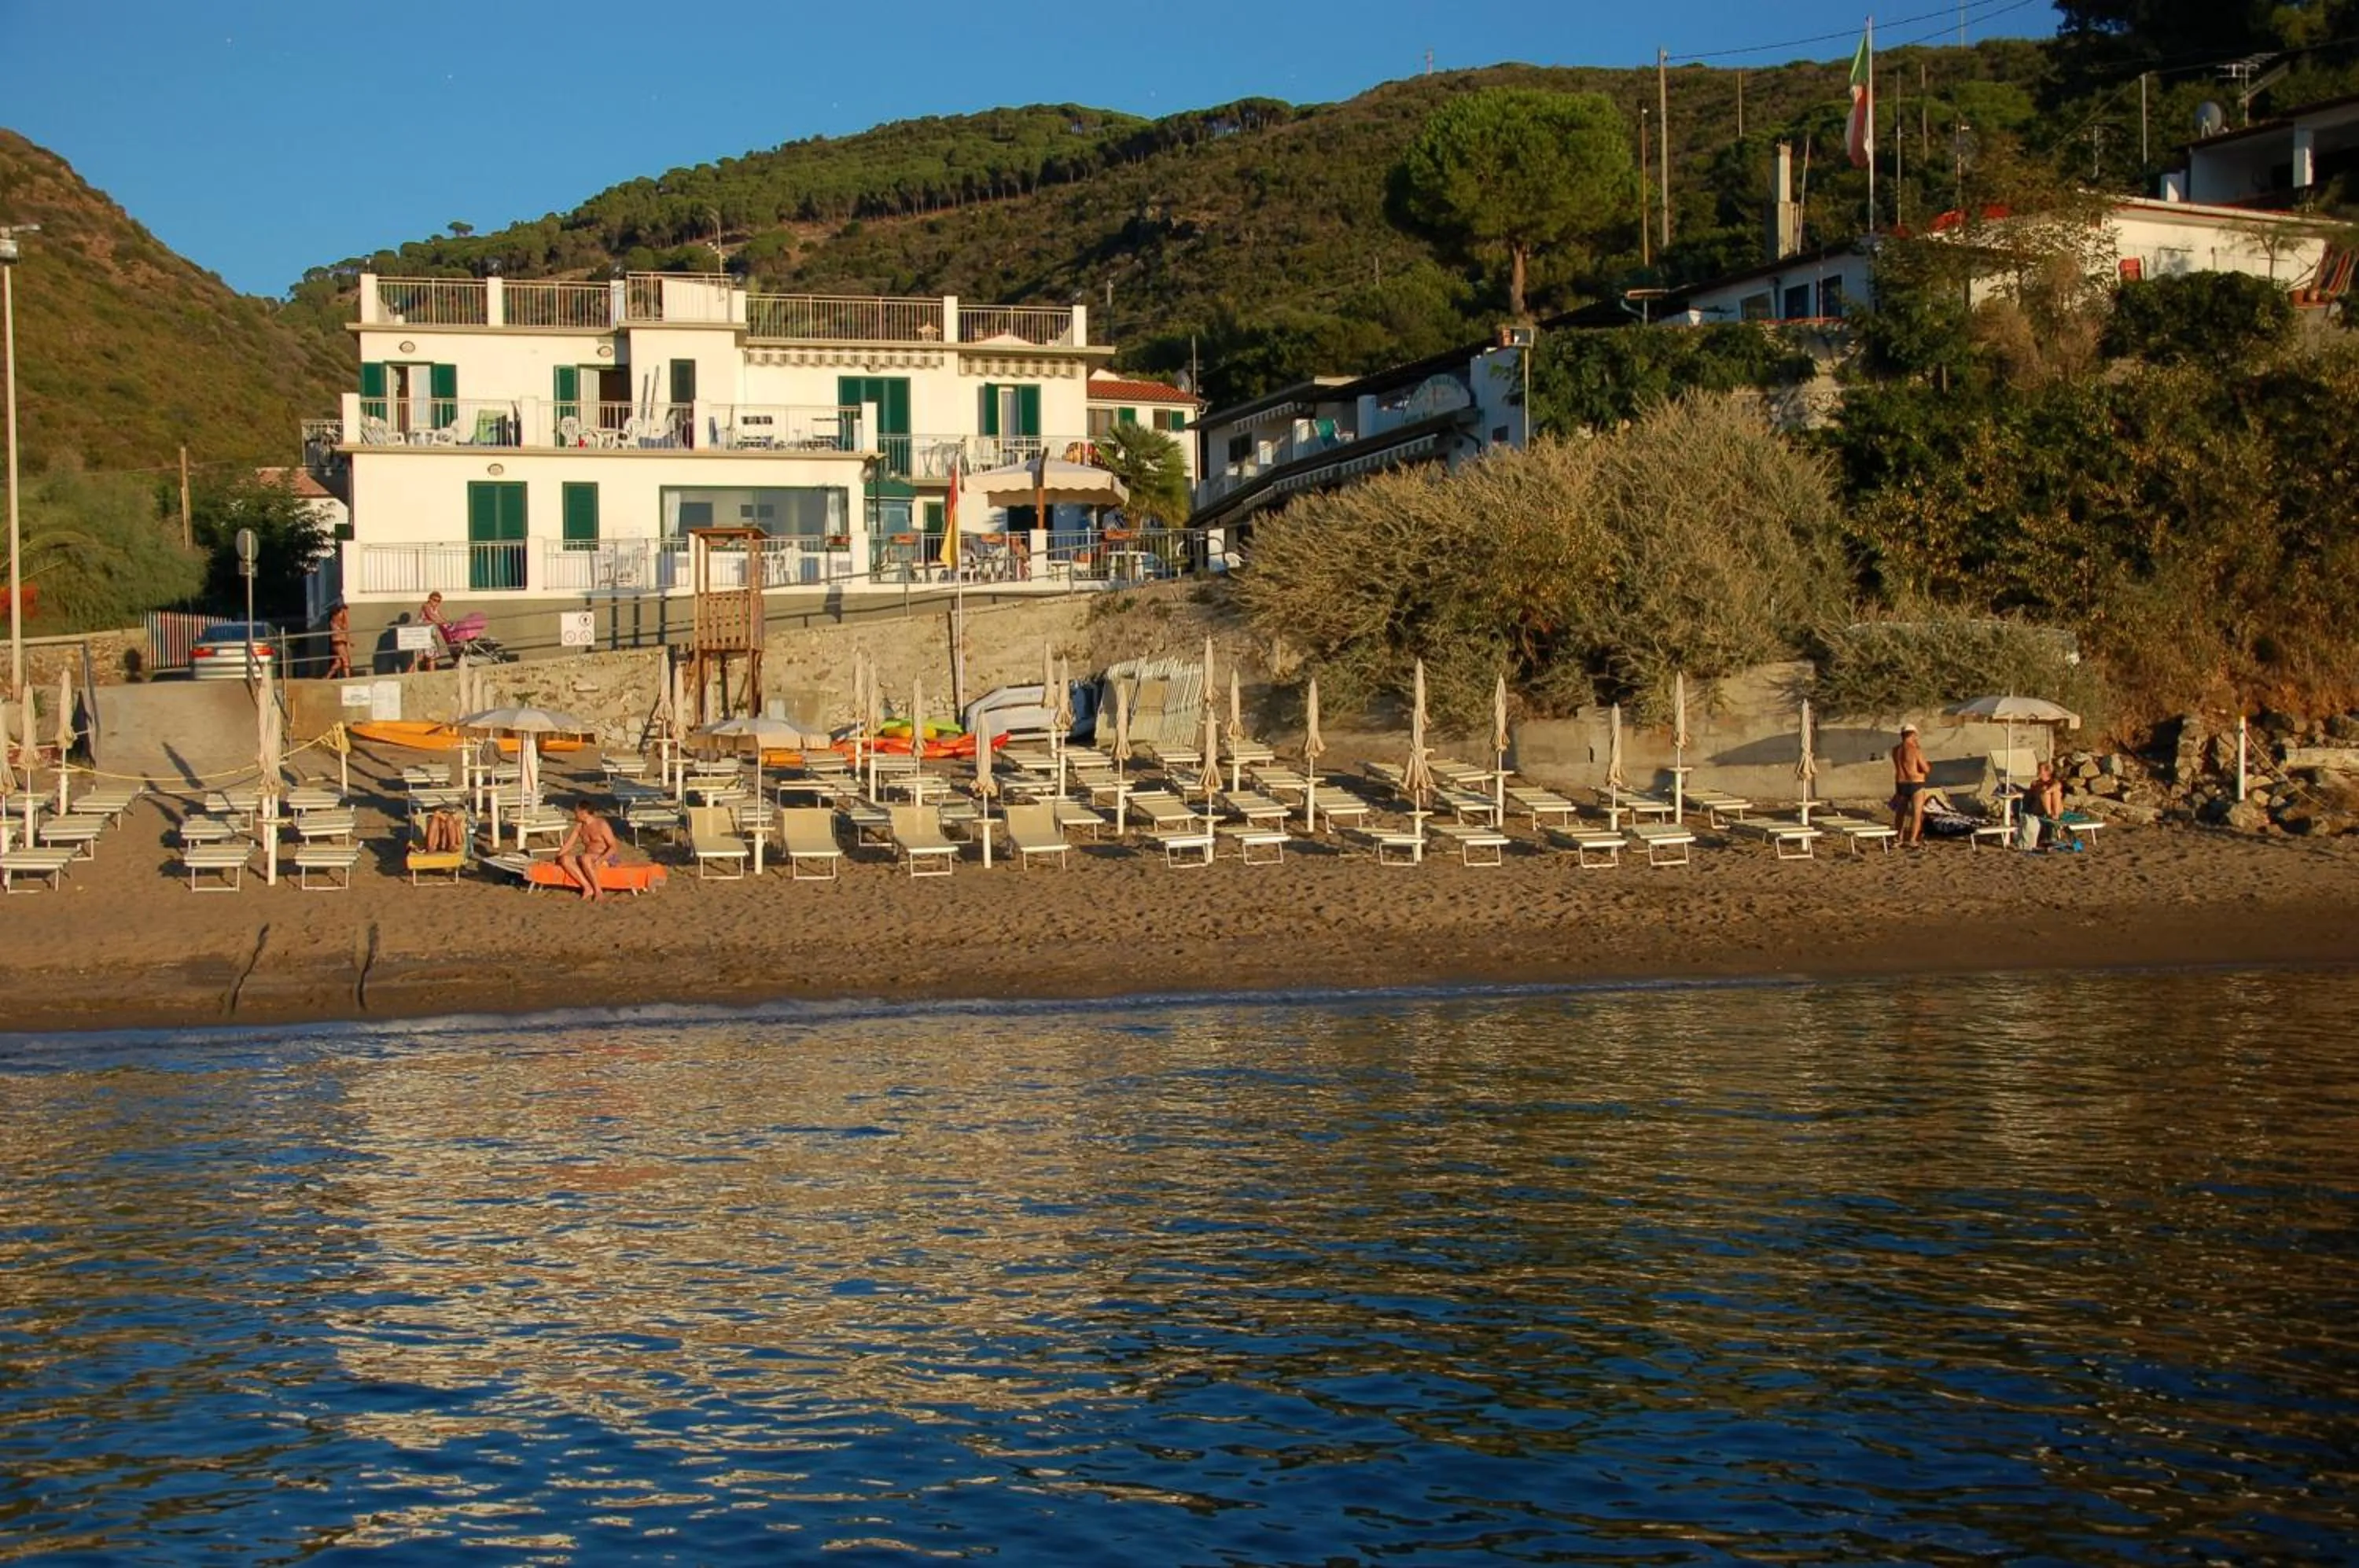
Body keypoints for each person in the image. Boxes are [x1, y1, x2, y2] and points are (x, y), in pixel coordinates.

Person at [554, 798, 620, 903]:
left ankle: (598, 891)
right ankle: (587, 887)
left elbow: (613, 847)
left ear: (584, 813)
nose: (574, 814)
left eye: (576, 812)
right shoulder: (579, 827)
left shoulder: (601, 824)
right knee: (565, 859)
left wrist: (600, 860)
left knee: (585, 858)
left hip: (608, 857)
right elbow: (569, 844)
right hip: (590, 858)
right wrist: (558, 857)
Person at [1892, 722, 1932, 846]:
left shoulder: (1896, 750)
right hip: (1916, 782)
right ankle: (1913, 839)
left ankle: (1899, 838)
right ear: (1913, 735)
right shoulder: (1915, 750)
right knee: (1916, 813)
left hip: (1901, 783)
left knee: (1900, 813)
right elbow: (1925, 769)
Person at [413, 591, 447, 673]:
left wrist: (448, 624)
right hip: (423, 633)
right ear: (429, 599)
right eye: (434, 600)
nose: (436, 603)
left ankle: (432, 674)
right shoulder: (426, 606)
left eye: (439, 601)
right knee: (420, 656)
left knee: (432, 656)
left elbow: (441, 618)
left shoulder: (436, 609)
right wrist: (443, 623)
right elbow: (432, 617)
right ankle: (408, 674)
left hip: (430, 633)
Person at [325, 602, 352, 680]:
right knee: (346, 660)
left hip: (335, 640)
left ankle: (327, 677)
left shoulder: (333, 619)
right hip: (340, 639)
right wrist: (349, 640)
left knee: (338, 662)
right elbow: (345, 627)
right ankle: (348, 678)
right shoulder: (341, 616)